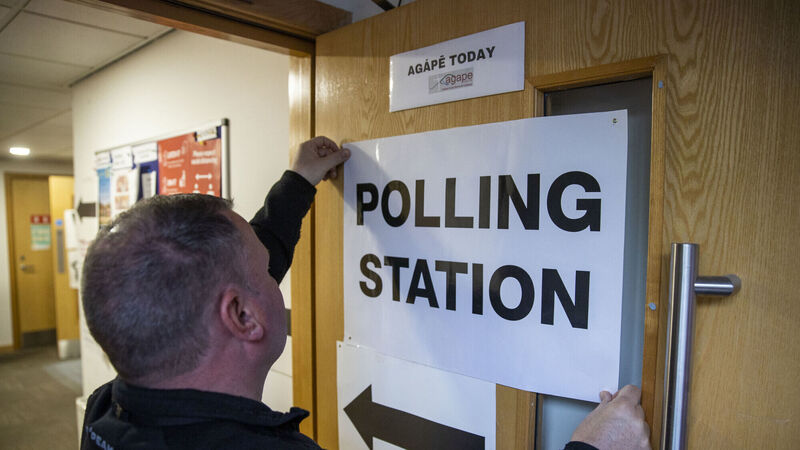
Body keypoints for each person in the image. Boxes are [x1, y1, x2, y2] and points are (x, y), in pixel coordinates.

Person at [80, 137, 649, 450]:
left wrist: (297, 183)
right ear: (243, 317)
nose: (275, 276)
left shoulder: (113, 410)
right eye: (266, 274)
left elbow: (243, 264)